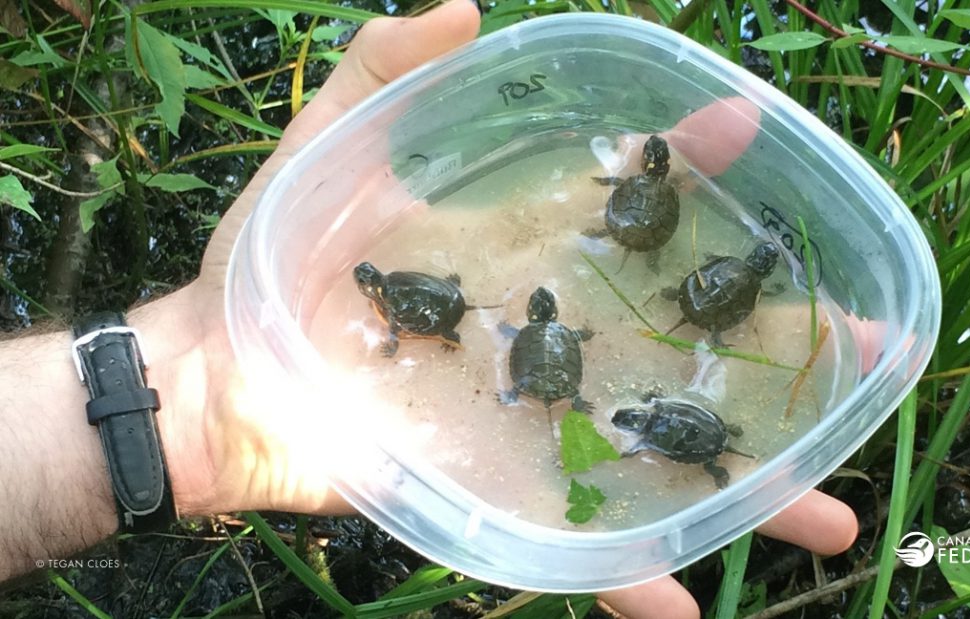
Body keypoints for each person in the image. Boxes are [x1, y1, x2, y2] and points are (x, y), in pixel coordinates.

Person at [0, 2, 857, 616]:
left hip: (515, 334)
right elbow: (513, 324)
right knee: (494, 338)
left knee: (510, 344)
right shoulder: (542, 325)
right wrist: (196, 389)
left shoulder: (538, 324)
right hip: (499, 330)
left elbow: (519, 327)